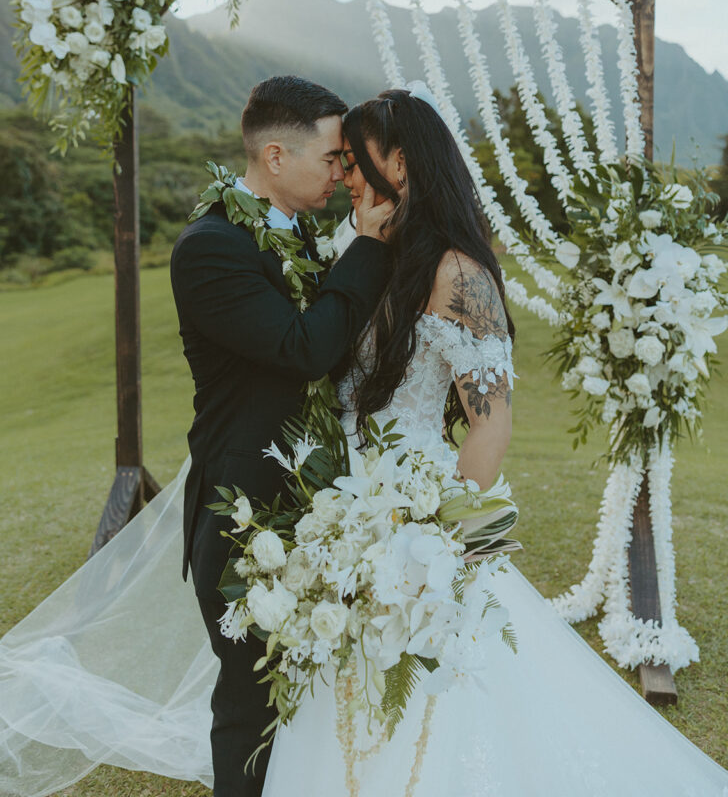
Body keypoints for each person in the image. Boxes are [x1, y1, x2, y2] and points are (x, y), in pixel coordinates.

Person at [259, 85, 728, 796]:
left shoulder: (457, 273)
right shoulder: (372, 254)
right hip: (346, 502)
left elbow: (491, 421)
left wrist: (442, 540)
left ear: (403, 163)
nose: (346, 174)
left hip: (417, 510)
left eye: (357, 160)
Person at [169, 75, 394, 796]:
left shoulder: (303, 235)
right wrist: (369, 245)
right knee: (251, 701)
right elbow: (305, 348)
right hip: (246, 512)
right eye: (332, 158)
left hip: (320, 500)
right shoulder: (209, 248)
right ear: (274, 156)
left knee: (321, 691)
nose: (342, 172)